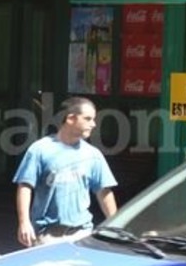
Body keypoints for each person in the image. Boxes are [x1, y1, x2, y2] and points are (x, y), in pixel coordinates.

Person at [14, 96, 118, 247]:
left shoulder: (93, 154)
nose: (93, 124)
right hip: (47, 235)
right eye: (88, 119)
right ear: (70, 119)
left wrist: (115, 225)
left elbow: (104, 192)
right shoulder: (40, 150)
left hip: (82, 233)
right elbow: (25, 187)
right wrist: (24, 223)